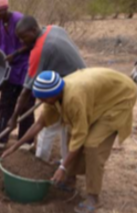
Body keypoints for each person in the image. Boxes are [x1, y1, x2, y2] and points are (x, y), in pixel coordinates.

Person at [3, 69, 137, 213]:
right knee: (69, 131)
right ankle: (70, 179)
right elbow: (39, 124)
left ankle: (93, 197)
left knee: (93, 144)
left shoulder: (73, 98)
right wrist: (15, 146)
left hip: (120, 96)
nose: (42, 102)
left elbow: (80, 136)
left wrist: (62, 167)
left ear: (54, 95)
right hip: (101, 94)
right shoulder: (53, 95)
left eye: (44, 99)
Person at [10, 16, 86, 162]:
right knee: (51, 127)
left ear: (33, 30)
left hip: (70, 91)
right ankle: (56, 163)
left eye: (23, 37)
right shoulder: (53, 29)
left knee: (63, 129)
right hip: (81, 76)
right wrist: (17, 53)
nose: (21, 42)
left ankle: (60, 168)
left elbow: (26, 91)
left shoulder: (39, 52)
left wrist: (14, 118)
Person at [0, 0, 35, 149]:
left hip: (26, 65)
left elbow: (31, 43)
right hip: (11, 68)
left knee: (26, 105)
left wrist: (15, 54)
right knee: (6, 104)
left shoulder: (19, 20)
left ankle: (26, 142)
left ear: (6, 9)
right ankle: (0, 139)